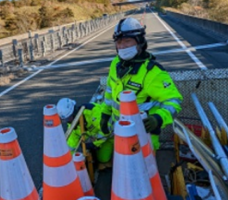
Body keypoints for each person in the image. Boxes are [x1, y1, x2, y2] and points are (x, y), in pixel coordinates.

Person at [100, 17, 183, 150]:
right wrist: (105, 113)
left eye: (127, 41)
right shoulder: (116, 63)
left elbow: (174, 102)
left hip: (145, 136)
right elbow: (110, 91)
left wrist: (158, 118)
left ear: (140, 43)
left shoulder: (153, 72)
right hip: (121, 130)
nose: (122, 46)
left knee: (146, 169)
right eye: (119, 42)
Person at [56, 98, 113, 169]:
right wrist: (66, 162)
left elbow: (107, 131)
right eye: (65, 120)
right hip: (94, 136)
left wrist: (94, 144)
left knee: (103, 159)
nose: (68, 121)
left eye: (68, 118)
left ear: (74, 112)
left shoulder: (93, 112)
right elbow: (71, 145)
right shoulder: (73, 124)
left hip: (108, 137)